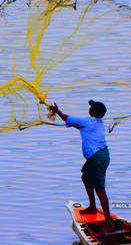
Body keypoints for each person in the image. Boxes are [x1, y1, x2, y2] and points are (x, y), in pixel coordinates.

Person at [49, 100, 114, 233]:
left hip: (97, 158)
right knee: (86, 178)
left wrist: (58, 111)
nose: (89, 109)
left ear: (92, 112)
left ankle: (108, 223)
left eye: (91, 107)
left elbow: (68, 118)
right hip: (101, 156)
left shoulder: (88, 121)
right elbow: (76, 125)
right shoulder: (97, 123)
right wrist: (66, 119)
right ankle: (92, 207)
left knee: (100, 189)